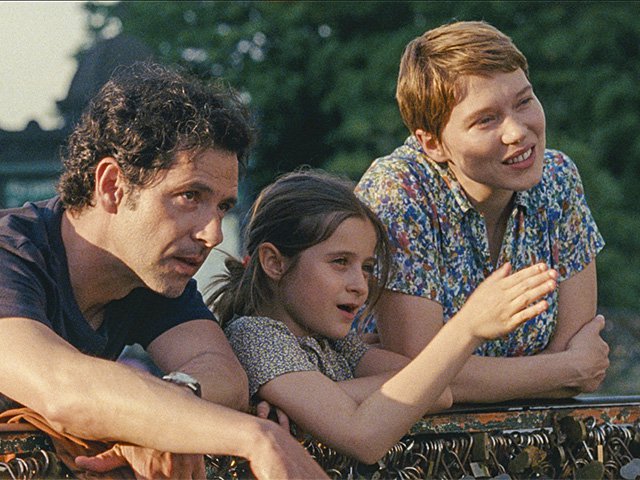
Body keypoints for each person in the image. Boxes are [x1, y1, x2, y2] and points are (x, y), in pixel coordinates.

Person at [0, 62, 328, 480]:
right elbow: (63, 389)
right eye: (190, 196)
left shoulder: (149, 270)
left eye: (223, 206)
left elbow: (223, 373)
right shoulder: (11, 253)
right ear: (112, 186)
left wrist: (164, 411)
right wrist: (257, 437)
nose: (212, 234)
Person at [208, 169, 558, 463]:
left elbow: (438, 392)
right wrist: (467, 328)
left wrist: (329, 396)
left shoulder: (335, 343)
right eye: (340, 262)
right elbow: (364, 437)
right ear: (274, 262)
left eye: (368, 267)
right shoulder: (255, 336)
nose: (360, 285)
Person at [355, 20, 609, 403]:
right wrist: (566, 369)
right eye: (486, 119)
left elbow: (578, 344)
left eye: (524, 101)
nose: (517, 132)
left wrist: (468, 376)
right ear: (433, 143)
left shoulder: (557, 178)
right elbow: (420, 378)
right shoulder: (399, 190)